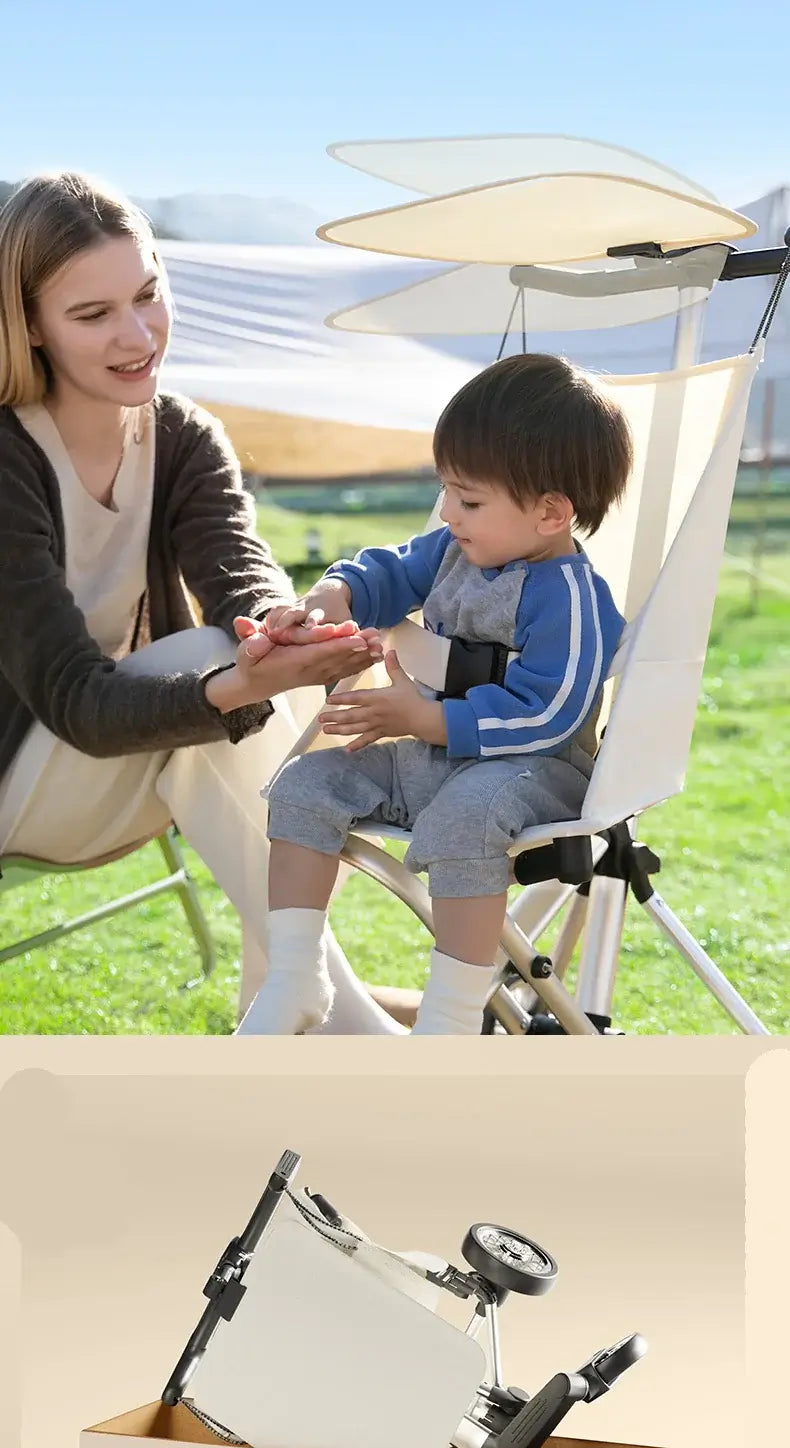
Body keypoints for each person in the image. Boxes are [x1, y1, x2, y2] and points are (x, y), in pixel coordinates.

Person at [0, 170, 402, 1034]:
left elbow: (238, 576)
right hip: (23, 780)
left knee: (241, 665)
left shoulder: (182, 436)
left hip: (135, 764)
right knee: (209, 674)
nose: (139, 334)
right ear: (30, 324)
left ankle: (298, 1012)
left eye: (148, 294)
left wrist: (276, 629)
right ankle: (346, 1030)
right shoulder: (6, 460)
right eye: (93, 313)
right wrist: (233, 683)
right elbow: (77, 700)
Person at [239, 353, 633, 1036]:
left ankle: (449, 1020)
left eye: (469, 498)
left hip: (535, 773)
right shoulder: (455, 549)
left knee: (466, 818)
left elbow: (550, 711)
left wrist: (429, 718)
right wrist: (330, 597)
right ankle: (296, 976)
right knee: (305, 785)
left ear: (550, 512)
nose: (448, 511)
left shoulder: (570, 596)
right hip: (433, 758)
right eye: (446, 489)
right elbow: (386, 573)